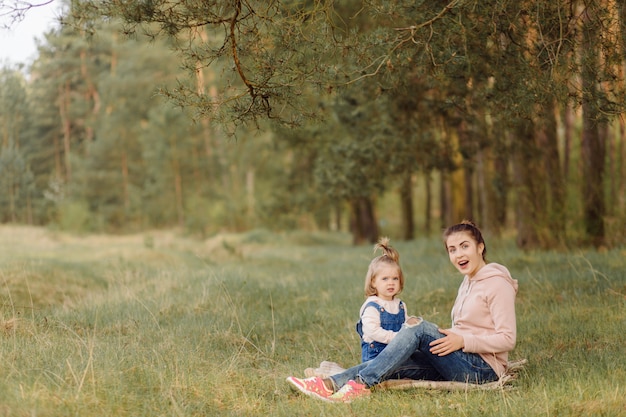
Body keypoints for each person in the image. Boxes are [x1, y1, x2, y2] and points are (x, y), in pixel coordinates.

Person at [286, 220, 518, 403]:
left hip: (482, 369)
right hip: (460, 358)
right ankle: (328, 385)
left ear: (480, 246)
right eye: (452, 249)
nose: (458, 255)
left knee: (417, 327)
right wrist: (454, 338)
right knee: (395, 360)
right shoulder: (469, 281)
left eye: (464, 246)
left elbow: (507, 339)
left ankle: (359, 386)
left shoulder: (497, 283)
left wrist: (463, 341)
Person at [356, 237, 410, 362]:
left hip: (397, 354)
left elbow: (406, 326)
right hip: (375, 356)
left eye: (395, 279)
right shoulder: (372, 305)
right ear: (373, 282)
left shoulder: (400, 305)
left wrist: (411, 326)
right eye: (385, 279)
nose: (390, 283)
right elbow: (373, 331)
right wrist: (397, 338)